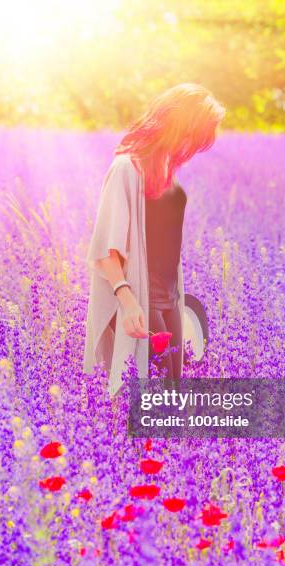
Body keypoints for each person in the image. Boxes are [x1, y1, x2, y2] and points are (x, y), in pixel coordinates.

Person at [83, 83, 226, 397]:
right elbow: (106, 248)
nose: (193, 146)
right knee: (149, 396)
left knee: (170, 396)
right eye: (194, 135)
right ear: (177, 124)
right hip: (140, 299)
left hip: (170, 300)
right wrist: (128, 300)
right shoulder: (126, 169)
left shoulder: (166, 169)